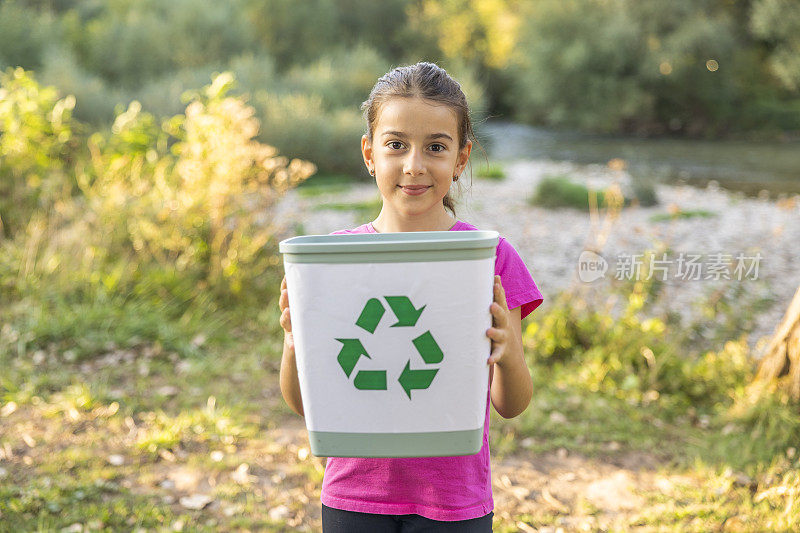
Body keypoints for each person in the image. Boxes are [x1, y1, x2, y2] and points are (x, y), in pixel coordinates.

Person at [279, 62, 543, 532]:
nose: (414, 165)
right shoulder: (331, 263)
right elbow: (305, 404)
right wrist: (295, 342)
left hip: (455, 500)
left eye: (436, 148)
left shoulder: (489, 258)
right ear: (369, 153)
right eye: (396, 144)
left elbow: (511, 403)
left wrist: (509, 352)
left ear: (461, 159)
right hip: (354, 495)